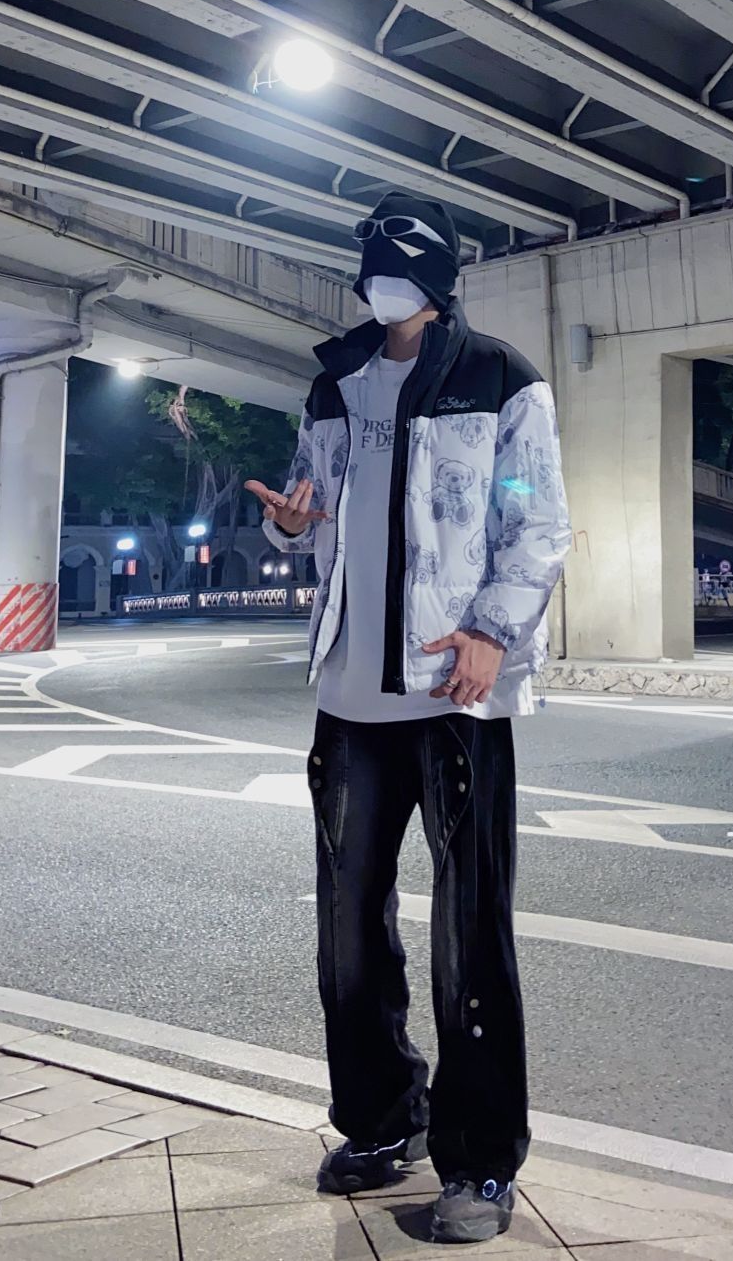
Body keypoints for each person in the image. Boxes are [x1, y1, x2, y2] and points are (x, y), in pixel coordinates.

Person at [245, 191, 571, 1245]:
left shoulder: (499, 377)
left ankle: (481, 1162)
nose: (380, 281)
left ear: (437, 276)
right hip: (348, 696)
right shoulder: (334, 383)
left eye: (398, 264)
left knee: (470, 932)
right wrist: (290, 525)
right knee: (348, 929)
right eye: (371, 263)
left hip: (452, 692)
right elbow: (312, 509)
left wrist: (493, 632)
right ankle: (385, 1118)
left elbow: (537, 522)